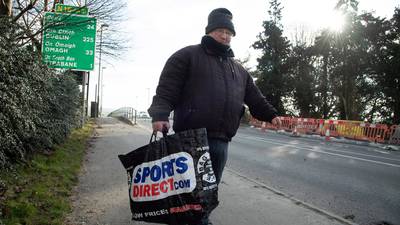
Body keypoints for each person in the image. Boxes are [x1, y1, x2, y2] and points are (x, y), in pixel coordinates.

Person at [148, 7, 281, 225]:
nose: (225, 35)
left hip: (221, 141)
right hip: (191, 137)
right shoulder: (187, 56)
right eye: (220, 30)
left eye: (229, 32)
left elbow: (255, 98)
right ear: (209, 31)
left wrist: (271, 115)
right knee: (190, 189)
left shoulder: (238, 70)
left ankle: (199, 220)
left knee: (209, 191)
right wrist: (160, 114)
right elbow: (167, 89)